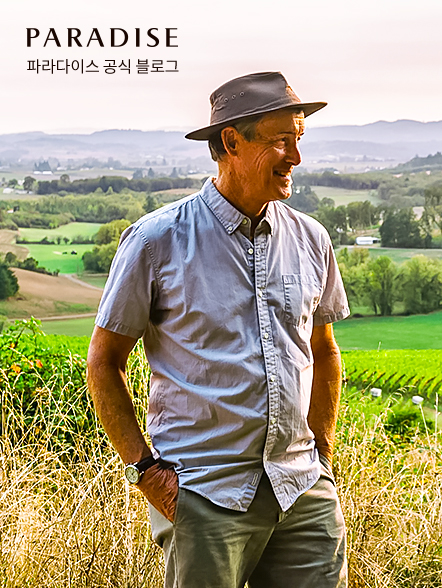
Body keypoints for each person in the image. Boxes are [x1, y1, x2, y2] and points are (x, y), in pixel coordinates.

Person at [87, 71, 349, 588]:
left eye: (299, 140)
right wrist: (146, 471)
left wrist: (322, 453)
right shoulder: (155, 241)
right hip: (204, 493)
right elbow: (104, 361)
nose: (296, 158)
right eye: (281, 141)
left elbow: (324, 351)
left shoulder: (312, 239)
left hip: (302, 489)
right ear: (231, 142)